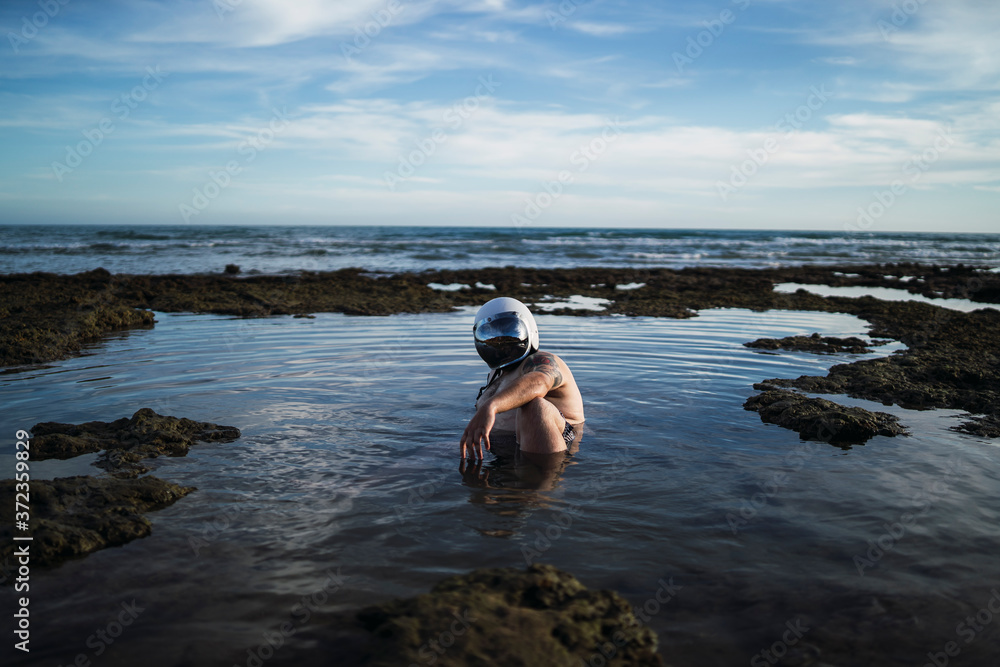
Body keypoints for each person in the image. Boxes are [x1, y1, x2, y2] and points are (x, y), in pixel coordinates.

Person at [460, 297, 584, 460]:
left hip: (555, 449)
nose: (501, 345)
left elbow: (539, 382)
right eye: (491, 337)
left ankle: (541, 480)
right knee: (424, 457)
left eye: (509, 335)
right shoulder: (495, 376)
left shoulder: (542, 361)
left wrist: (492, 405)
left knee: (535, 406)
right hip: (499, 451)